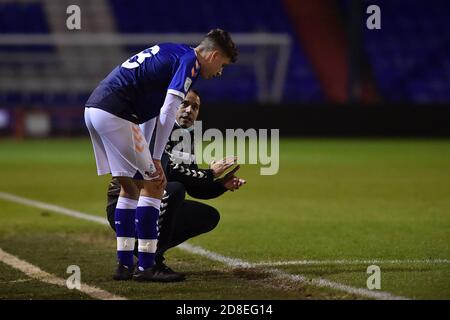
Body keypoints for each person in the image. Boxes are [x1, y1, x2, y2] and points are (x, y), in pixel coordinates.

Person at [84, 29, 238, 282]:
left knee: (131, 187)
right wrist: (155, 157)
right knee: (155, 184)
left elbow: (151, 114)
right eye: (222, 64)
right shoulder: (190, 63)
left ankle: (124, 265)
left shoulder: (173, 51)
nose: (220, 71)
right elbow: (169, 110)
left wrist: (149, 152)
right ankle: (147, 266)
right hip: (117, 113)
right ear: (213, 55)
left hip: (96, 109)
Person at [106, 89, 246, 281]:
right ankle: (151, 262)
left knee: (208, 216)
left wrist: (221, 185)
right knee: (174, 190)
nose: (189, 110)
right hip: (126, 205)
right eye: (185, 104)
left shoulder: (186, 138)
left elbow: (194, 187)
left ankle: (141, 249)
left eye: (195, 107)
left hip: (154, 202)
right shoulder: (158, 127)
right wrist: (210, 172)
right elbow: (169, 171)